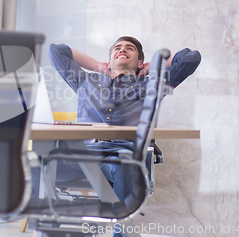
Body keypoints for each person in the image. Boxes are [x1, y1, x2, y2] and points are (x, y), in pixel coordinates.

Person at [33, 36, 201, 237]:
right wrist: (98, 66)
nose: (122, 50)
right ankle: (54, 226)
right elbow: (56, 50)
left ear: (139, 62)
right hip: (80, 157)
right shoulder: (86, 81)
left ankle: (121, 232)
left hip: (119, 157)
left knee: (125, 165)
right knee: (33, 165)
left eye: (129, 48)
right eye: (117, 48)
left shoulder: (151, 86)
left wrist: (151, 67)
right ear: (110, 59)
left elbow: (191, 58)